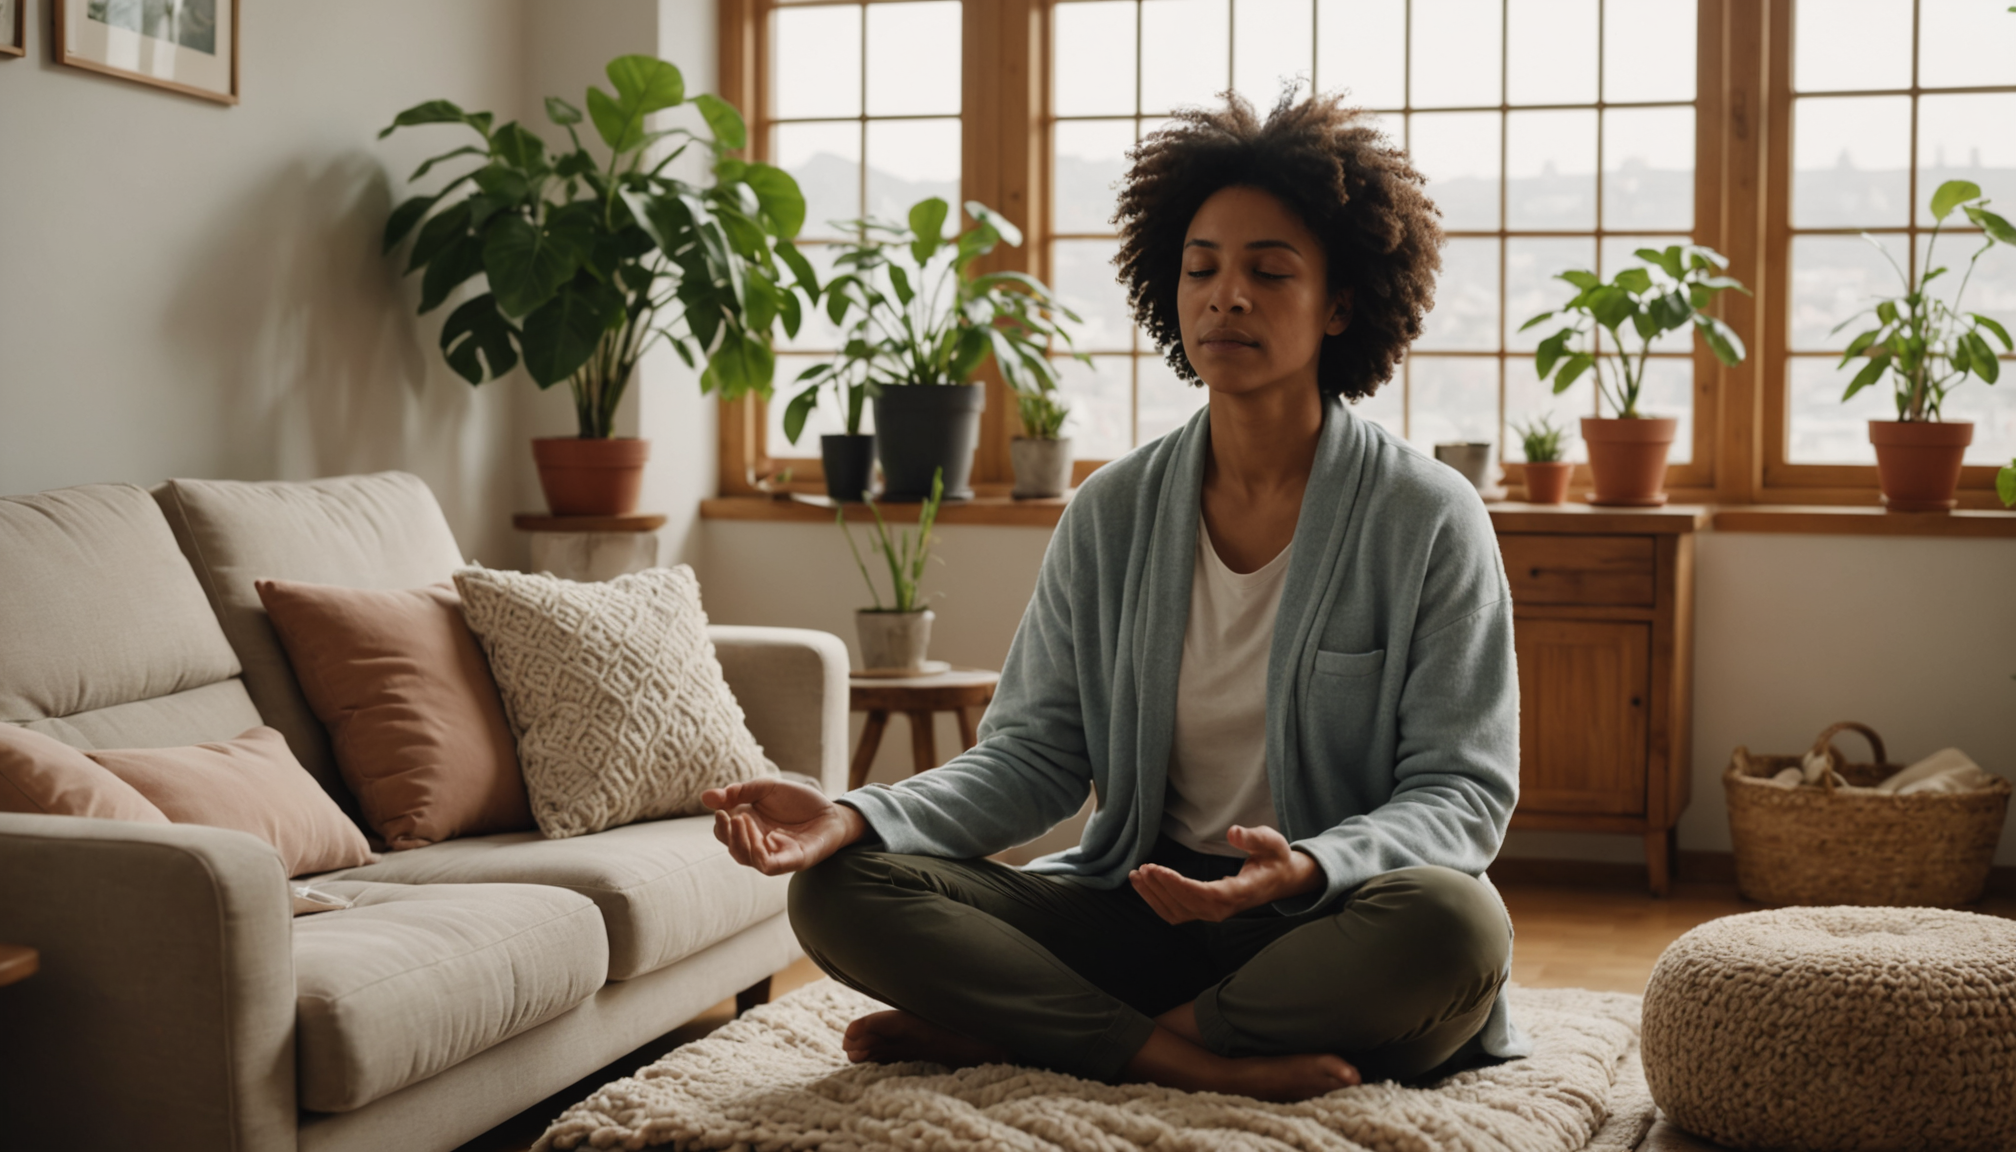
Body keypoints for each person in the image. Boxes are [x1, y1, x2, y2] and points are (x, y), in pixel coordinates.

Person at [702, 91, 1529, 1103]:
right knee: (839, 892)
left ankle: (1042, 1036)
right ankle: (1180, 1055)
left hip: (1331, 918)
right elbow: (1035, 757)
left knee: (1457, 927)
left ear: (1343, 304)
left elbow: (1462, 795)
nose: (1227, 296)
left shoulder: (1428, 516)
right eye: (1202, 267)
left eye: (1270, 271)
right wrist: (851, 816)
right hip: (1137, 910)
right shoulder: (1113, 509)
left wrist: (1308, 868)